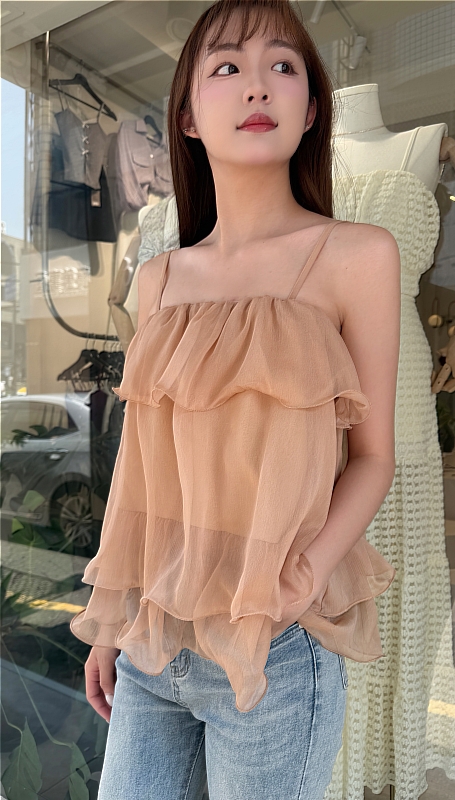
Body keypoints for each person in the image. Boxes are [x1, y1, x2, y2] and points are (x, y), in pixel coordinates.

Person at [72, 1, 400, 798]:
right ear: (186, 116)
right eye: (226, 66)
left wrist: (305, 573)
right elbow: (142, 475)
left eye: (282, 66)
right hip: (154, 642)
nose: (257, 85)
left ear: (310, 108)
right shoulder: (160, 279)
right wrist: (111, 622)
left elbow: (373, 457)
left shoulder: (356, 256)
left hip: (275, 647)